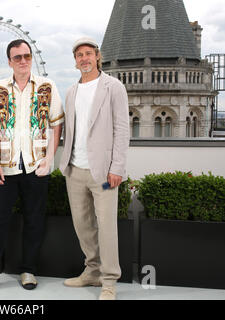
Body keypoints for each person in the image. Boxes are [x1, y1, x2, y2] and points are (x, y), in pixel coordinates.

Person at [0, 39, 64, 294]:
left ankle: (28, 270)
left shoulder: (47, 86)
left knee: (34, 220)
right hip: (5, 168)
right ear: (9, 61)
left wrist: (49, 159)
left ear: (31, 58)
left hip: (36, 167)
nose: (23, 60)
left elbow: (56, 125)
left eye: (26, 56)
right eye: (17, 57)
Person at [59, 37, 130, 300]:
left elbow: (122, 129)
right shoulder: (71, 91)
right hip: (75, 170)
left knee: (107, 226)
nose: (84, 58)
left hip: (103, 173)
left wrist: (117, 168)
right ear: (75, 61)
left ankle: (109, 281)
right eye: (79, 55)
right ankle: (92, 271)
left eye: (88, 53)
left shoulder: (114, 87)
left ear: (97, 56)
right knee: (83, 225)